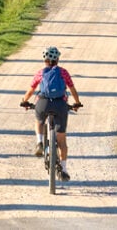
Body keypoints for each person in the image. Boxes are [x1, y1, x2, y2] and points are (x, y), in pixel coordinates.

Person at [20, 46, 82, 181]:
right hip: (60, 105)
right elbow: (72, 89)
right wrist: (77, 103)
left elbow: (31, 90)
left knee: (39, 119)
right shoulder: (63, 73)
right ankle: (64, 170)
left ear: (45, 60)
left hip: (43, 103)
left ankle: (39, 142)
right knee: (61, 140)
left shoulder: (40, 73)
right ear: (58, 59)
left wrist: (24, 101)